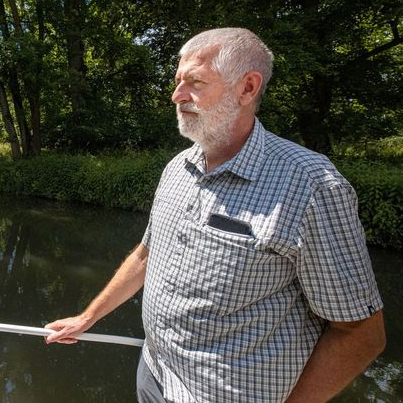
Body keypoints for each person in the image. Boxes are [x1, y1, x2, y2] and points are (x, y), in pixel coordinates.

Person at [44, 28, 386, 402]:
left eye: (195, 82)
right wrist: (88, 316)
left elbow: (360, 332)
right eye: (177, 82)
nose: (177, 96)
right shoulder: (177, 167)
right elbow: (146, 254)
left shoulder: (312, 186)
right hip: (154, 375)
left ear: (247, 88)